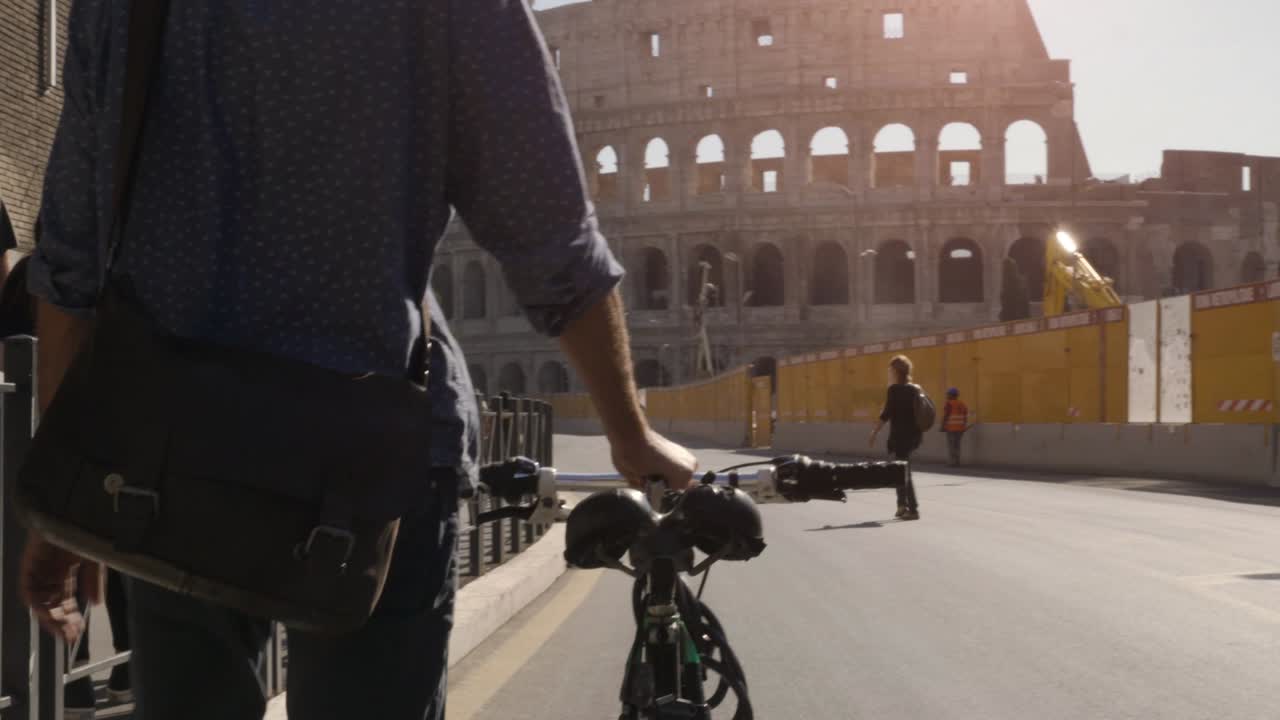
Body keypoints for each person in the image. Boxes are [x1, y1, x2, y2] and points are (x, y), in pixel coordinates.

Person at [19, 2, 697, 719]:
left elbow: (71, 262)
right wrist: (629, 432)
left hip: (169, 460)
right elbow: (551, 236)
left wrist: (67, 506)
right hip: (376, 465)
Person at [868, 355, 921, 521]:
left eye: (891, 370)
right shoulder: (914, 389)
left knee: (903, 471)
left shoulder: (894, 390)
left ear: (897, 371)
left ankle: (912, 509)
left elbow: (886, 414)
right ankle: (901, 506)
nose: (889, 373)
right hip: (913, 436)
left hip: (900, 437)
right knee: (900, 469)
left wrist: (874, 432)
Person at [941, 387, 970, 466]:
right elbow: (965, 416)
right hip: (960, 429)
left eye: (948, 394)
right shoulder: (962, 404)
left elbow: (946, 415)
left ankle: (952, 462)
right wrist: (964, 426)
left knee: (951, 446)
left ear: (952, 395)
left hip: (951, 428)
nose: (947, 396)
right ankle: (957, 461)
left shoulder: (949, 404)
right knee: (957, 446)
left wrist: (943, 426)